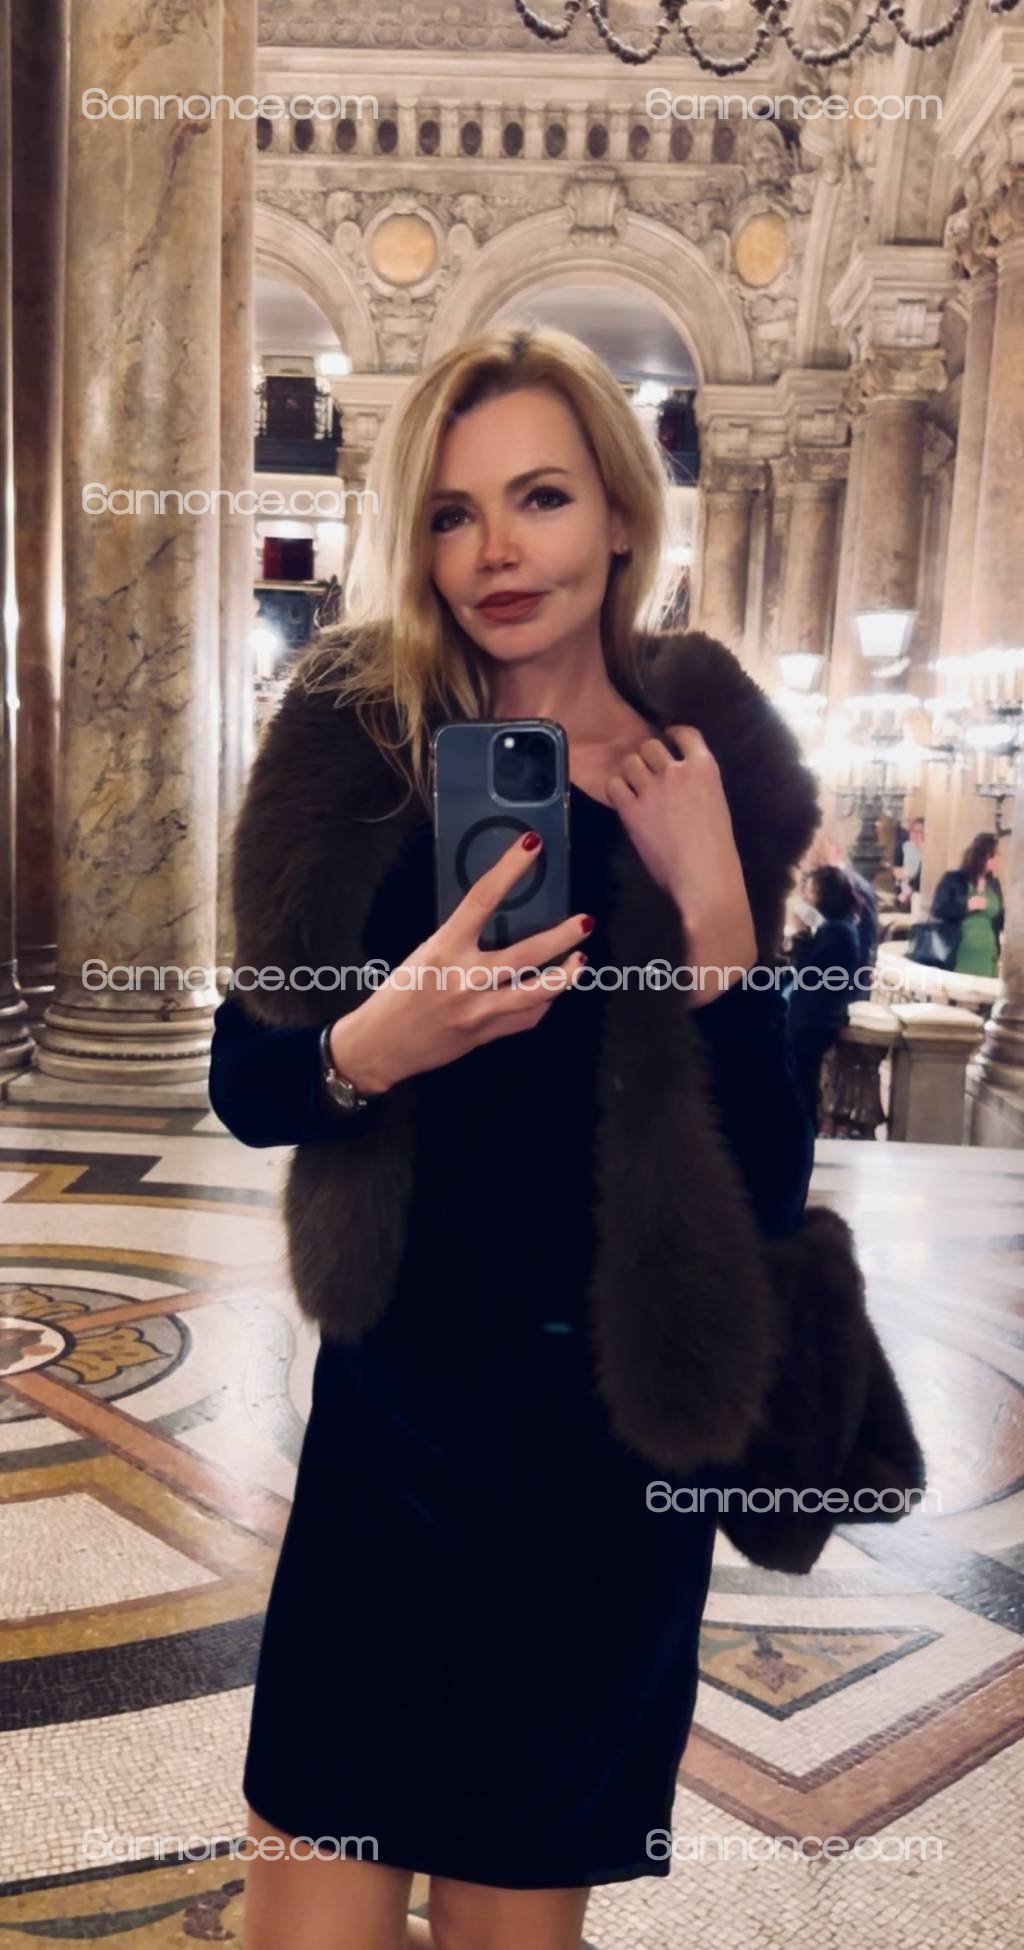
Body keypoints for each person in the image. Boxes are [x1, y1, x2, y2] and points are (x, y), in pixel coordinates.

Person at [209, 324, 920, 1950]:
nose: (496, 551)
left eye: (539, 497)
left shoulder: (712, 774)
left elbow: (759, 1186)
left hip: (607, 1476)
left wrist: (716, 908)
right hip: (394, 1437)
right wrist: (373, 1044)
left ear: (617, 514)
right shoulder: (350, 754)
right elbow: (246, 1084)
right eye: (452, 513)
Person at [785, 866, 864, 1130]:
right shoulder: (838, 927)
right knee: (802, 1080)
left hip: (813, 1021)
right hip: (816, 1018)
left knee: (802, 1083)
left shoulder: (836, 932)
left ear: (825, 895)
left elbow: (808, 973)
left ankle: (804, 1131)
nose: (806, 898)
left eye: (810, 892)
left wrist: (800, 934)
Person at [927, 831, 1004, 978]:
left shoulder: (994, 885)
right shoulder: (954, 879)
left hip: (988, 954)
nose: (997, 859)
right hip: (959, 952)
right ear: (983, 856)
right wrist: (967, 906)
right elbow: (938, 909)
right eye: (994, 855)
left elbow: (999, 919)